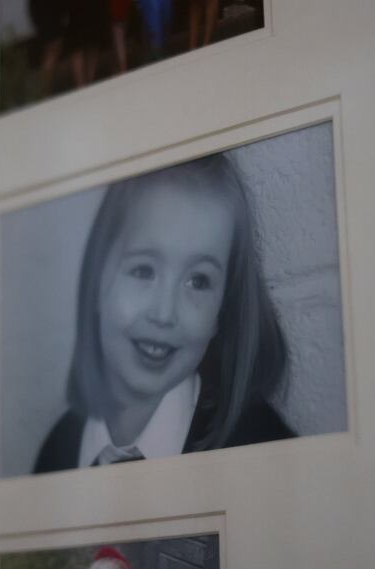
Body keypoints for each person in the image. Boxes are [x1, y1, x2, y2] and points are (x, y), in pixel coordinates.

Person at [34, 154, 293, 474]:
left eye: (198, 281)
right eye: (143, 271)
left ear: (221, 312)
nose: (164, 313)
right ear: (96, 283)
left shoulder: (264, 452)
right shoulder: (57, 452)